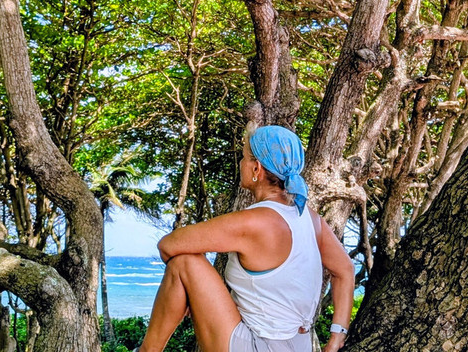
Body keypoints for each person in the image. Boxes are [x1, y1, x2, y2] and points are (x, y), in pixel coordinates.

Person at [138, 124, 355, 352]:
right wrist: (336, 336)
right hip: (300, 346)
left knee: (184, 263)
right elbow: (345, 269)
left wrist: (187, 295)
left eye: (243, 158)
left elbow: (168, 245)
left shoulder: (253, 222)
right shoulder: (311, 219)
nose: (240, 164)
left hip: (258, 347)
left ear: (256, 169)